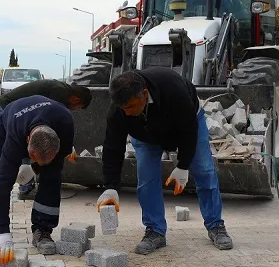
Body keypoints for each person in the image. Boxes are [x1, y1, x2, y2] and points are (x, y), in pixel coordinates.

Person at [96, 69, 233, 254]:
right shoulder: (119, 110)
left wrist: (183, 165)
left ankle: (216, 225)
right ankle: (155, 231)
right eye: (123, 109)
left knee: (204, 170)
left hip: (186, 123)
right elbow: (113, 147)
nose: (126, 113)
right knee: (146, 179)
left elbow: (188, 129)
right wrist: (110, 186)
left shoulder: (173, 90)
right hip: (145, 136)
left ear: (144, 94)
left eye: (130, 106)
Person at [0, 95, 74, 258]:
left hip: (52, 120)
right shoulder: (15, 136)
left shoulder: (66, 122)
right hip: (10, 120)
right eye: (35, 159)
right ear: (29, 148)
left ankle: (42, 230)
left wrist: (35, 167)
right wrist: (3, 234)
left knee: (52, 176)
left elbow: (63, 153)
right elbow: (4, 182)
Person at [0, 80, 91, 198]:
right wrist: (67, 146)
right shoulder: (60, 93)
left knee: (27, 144)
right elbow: (52, 123)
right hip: (3, 108)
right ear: (76, 100)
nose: (74, 110)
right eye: (78, 108)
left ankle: (26, 188)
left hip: (17, 111)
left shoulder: (62, 89)